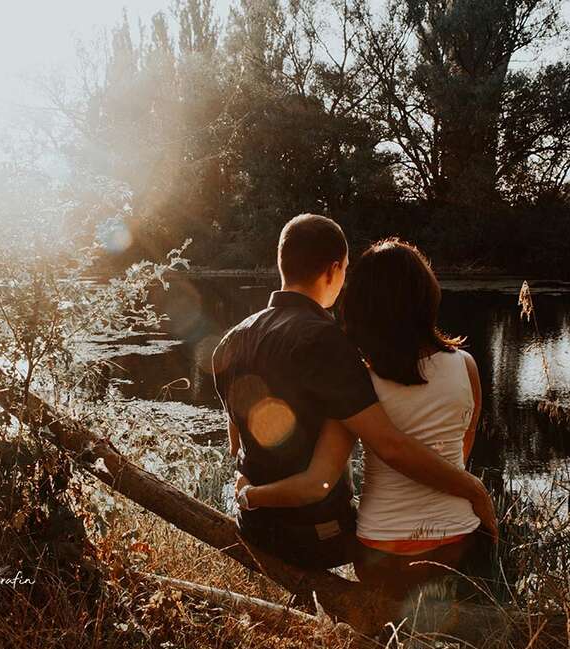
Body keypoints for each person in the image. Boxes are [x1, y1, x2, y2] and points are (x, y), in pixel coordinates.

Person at [212, 215, 496, 571]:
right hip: (317, 538)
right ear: (333, 271)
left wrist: (247, 496)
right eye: (345, 269)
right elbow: (387, 447)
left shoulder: (228, 343)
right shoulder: (328, 343)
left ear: (282, 263)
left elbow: (237, 449)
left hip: (254, 529)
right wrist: (474, 489)